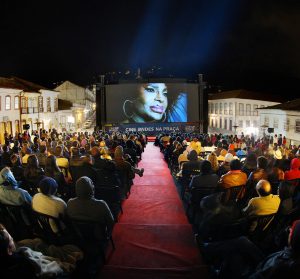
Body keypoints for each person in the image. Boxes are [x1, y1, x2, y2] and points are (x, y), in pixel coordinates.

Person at [122, 83, 187, 123]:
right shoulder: (121, 128)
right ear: (133, 95)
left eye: (165, 93)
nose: (161, 99)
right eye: (151, 90)